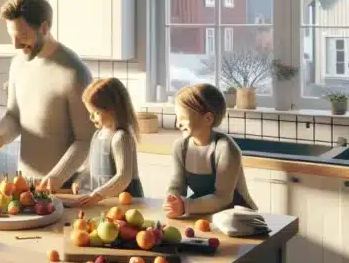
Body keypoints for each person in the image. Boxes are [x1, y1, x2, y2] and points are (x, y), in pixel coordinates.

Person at [0, 0, 96, 190]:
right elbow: (14, 116)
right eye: (11, 36)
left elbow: (86, 139)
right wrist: (0, 137)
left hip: (66, 186)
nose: (15, 45)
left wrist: (56, 177)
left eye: (22, 36)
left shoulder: (75, 72)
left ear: (44, 28)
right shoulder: (18, 64)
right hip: (26, 184)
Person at [164, 83, 256, 218]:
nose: (177, 124)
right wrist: (172, 200)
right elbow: (177, 184)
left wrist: (186, 206)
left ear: (208, 118)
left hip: (238, 218)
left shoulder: (225, 148)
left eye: (183, 118)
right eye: (177, 117)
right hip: (203, 212)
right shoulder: (180, 148)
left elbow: (223, 198)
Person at [66, 77, 143, 207]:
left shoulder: (120, 137)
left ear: (112, 109)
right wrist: (80, 180)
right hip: (106, 202)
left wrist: (98, 194)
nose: (91, 117)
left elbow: (123, 177)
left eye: (96, 112)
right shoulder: (98, 135)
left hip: (126, 203)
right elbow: (90, 167)